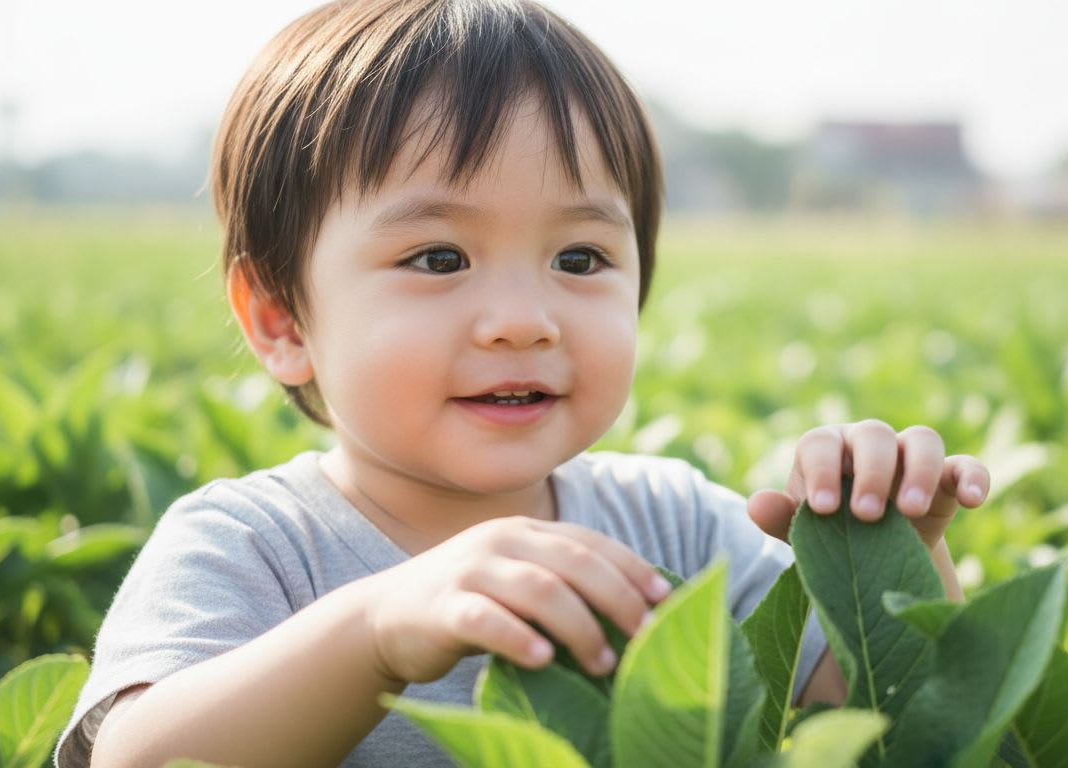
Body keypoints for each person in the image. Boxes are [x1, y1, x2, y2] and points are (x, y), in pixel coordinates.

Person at [56, 0, 990, 765]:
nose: (523, 317)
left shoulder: (678, 525)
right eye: (438, 255)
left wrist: (894, 569)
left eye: (580, 257)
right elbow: (137, 757)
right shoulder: (255, 548)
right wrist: (375, 630)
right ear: (281, 320)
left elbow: (880, 729)